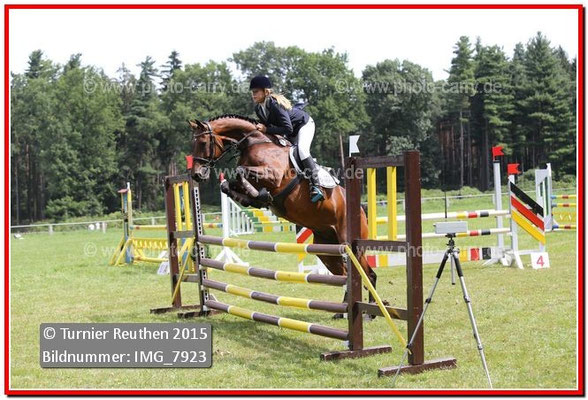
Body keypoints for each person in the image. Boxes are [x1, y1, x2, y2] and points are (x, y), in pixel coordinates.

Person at [249, 75, 324, 203]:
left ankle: (317, 186)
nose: (253, 95)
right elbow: (270, 128)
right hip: (288, 132)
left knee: (302, 151)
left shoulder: (275, 104)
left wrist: (266, 130)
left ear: (265, 92)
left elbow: (287, 128)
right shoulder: (258, 109)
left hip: (303, 125)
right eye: (252, 92)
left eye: (256, 92)